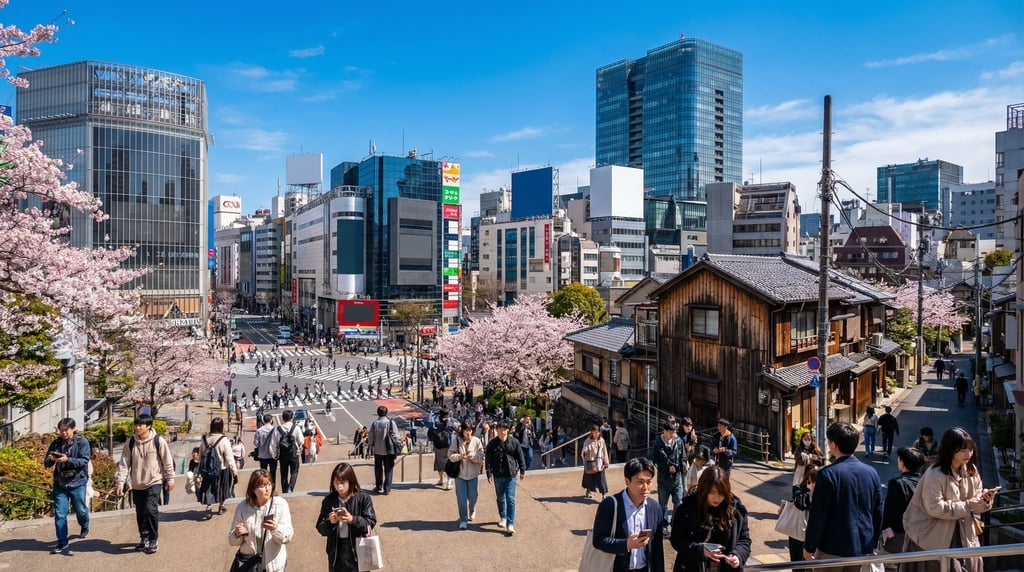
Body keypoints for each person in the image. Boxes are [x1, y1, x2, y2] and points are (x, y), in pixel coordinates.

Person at [900, 427, 996, 572]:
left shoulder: (971, 470)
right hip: (934, 535)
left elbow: (975, 503)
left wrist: (985, 500)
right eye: (963, 450)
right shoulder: (935, 474)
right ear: (951, 449)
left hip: (965, 533)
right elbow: (934, 507)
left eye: (970, 449)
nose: (968, 454)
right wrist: (968, 505)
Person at [802, 422, 882, 570]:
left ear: (834, 445)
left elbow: (818, 514)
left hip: (831, 549)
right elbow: (877, 512)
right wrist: (873, 543)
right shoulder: (871, 473)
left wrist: (809, 546)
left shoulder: (827, 474)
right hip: (861, 547)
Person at [114, 413, 176, 554]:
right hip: (136, 483)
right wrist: (120, 482)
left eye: (140, 425)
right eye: (136, 425)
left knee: (151, 510)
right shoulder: (130, 443)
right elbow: (124, 464)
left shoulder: (158, 441)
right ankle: (144, 537)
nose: (137, 427)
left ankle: (153, 539)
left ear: (148, 426)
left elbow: (167, 460)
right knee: (140, 513)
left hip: (154, 481)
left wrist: (170, 478)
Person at [670, 466, 752, 572]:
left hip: (726, 567)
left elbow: (744, 540)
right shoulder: (687, 508)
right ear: (704, 490)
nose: (717, 498)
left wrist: (737, 555)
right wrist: (700, 550)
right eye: (712, 493)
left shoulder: (736, 511)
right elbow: (677, 539)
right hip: (692, 566)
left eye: (721, 493)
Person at [591, 457, 665, 572]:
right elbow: (598, 540)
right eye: (640, 482)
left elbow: (657, 549)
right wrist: (626, 544)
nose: (645, 487)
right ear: (627, 481)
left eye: (649, 482)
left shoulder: (655, 508)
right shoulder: (610, 505)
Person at [315, 462, 378, 572]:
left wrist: (353, 519)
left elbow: (370, 522)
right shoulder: (329, 500)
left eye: (343, 482)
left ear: (351, 481)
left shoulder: (363, 498)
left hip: (357, 549)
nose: (339, 487)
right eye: (336, 482)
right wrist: (330, 522)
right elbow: (320, 528)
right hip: (336, 552)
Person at [229, 469, 294, 572]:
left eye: (269, 484)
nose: (267, 489)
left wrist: (275, 528)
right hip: (250, 564)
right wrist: (237, 534)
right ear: (253, 489)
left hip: (273, 565)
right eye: (262, 486)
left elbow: (288, 536)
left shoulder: (280, 504)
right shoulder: (242, 507)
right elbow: (232, 540)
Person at [45, 417, 91, 554]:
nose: (63, 433)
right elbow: (46, 463)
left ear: (73, 429)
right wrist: (51, 459)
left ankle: (85, 524)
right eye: (61, 431)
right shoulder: (56, 443)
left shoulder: (82, 442)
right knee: (60, 514)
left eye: (66, 430)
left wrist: (68, 459)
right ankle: (62, 542)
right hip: (60, 483)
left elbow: (84, 460)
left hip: (78, 481)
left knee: (81, 510)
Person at [878, 447, 925, 568]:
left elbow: (890, 516)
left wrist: (887, 535)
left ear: (902, 462)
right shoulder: (926, 482)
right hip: (922, 537)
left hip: (899, 538)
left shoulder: (897, 483)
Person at [485, 420, 527, 536]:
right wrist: (489, 473)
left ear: (507, 430)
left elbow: (520, 455)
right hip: (498, 475)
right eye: (499, 430)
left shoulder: (514, 442)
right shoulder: (492, 444)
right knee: (500, 498)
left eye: (504, 430)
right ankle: (503, 516)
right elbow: (488, 459)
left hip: (511, 474)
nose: (502, 432)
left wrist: (522, 469)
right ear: (496, 430)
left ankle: (510, 523)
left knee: (510, 499)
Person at [448, 421, 485, 529]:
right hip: (460, 474)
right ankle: (463, 519)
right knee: (461, 499)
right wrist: (460, 456)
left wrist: (472, 456)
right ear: (462, 431)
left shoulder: (477, 441)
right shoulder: (456, 441)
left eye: (470, 430)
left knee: (473, 497)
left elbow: (481, 456)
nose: (468, 433)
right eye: (466, 430)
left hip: (473, 474)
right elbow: (450, 455)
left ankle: (472, 509)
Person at [199, 417, 238, 517]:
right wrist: (234, 471)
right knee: (221, 488)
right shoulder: (224, 440)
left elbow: (201, 455)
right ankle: (221, 507)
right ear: (221, 427)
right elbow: (230, 458)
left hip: (207, 468)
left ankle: (208, 507)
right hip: (221, 469)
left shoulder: (204, 439)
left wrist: (199, 469)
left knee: (208, 488)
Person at [651, 421, 686, 527]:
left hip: (676, 479)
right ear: (664, 431)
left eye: (674, 432)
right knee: (663, 505)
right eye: (671, 433)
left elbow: (683, 457)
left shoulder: (679, 441)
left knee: (678, 502)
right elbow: (654, 460)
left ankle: (675, 522)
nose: (673, 435)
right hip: (663, 480)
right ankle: (664, 524)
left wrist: (681, 466)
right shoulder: (658, 443)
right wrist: (665, 468)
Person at [787, 465, 819, 572]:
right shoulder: (798, 488)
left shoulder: (821, 494)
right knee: (796, 563)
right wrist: (810, 492)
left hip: (810, 534)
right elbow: (800, 503)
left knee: (809, 565)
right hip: (796, 532)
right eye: (811, 480)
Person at [366, 405, 401, 495]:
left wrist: (370, 445)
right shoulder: (390, 423)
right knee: (388, 469)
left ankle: (378, 486)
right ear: (386, 413)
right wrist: (399, 444)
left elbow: (371, 437)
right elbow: (396, 435)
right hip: (389, 450)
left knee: (378, 468)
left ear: (378, 413)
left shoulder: (375, 423)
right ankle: (387, 488)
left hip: (378, 450)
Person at [271, 409, 304, 493]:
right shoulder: (295, 428)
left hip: (282, 454)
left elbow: (273, 443)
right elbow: (301, 441)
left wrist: (274, 454)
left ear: (283, 418)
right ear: (292, 418)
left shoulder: (278, 429)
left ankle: (285, 490)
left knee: (283, 473)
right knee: (294, 471)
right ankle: (290, 488)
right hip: (293, 453)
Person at [581, 424, 611, 500]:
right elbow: (584, 451)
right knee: (589, 478)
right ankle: (588, 491)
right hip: (591, 462)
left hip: (599, 463)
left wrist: (606, 462)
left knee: (601, 479)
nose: (596, 433)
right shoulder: (588, 441)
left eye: (597, 432)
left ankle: (603, 494)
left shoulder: (601, 440)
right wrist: (585, 452)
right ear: (591, 432)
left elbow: (604, 451)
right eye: (594, 432)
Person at [428, 411, 456, 490]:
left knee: (439, 463)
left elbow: (430, 431)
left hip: (438, 446)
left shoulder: (435, 422)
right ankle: (449, 482)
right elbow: (457, 429)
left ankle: (441, 479)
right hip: (448, 446)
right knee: (448, 463)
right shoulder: (449, 423)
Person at [254, 414, 278, 490]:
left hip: (262, 455)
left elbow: (256, 443)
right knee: (273, 473)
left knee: (263, 473)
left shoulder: (259, 431)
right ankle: (272, 488)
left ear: (263, 421)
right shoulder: (275, 430)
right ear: (271, 420)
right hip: (273, 455)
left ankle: (264, 487)